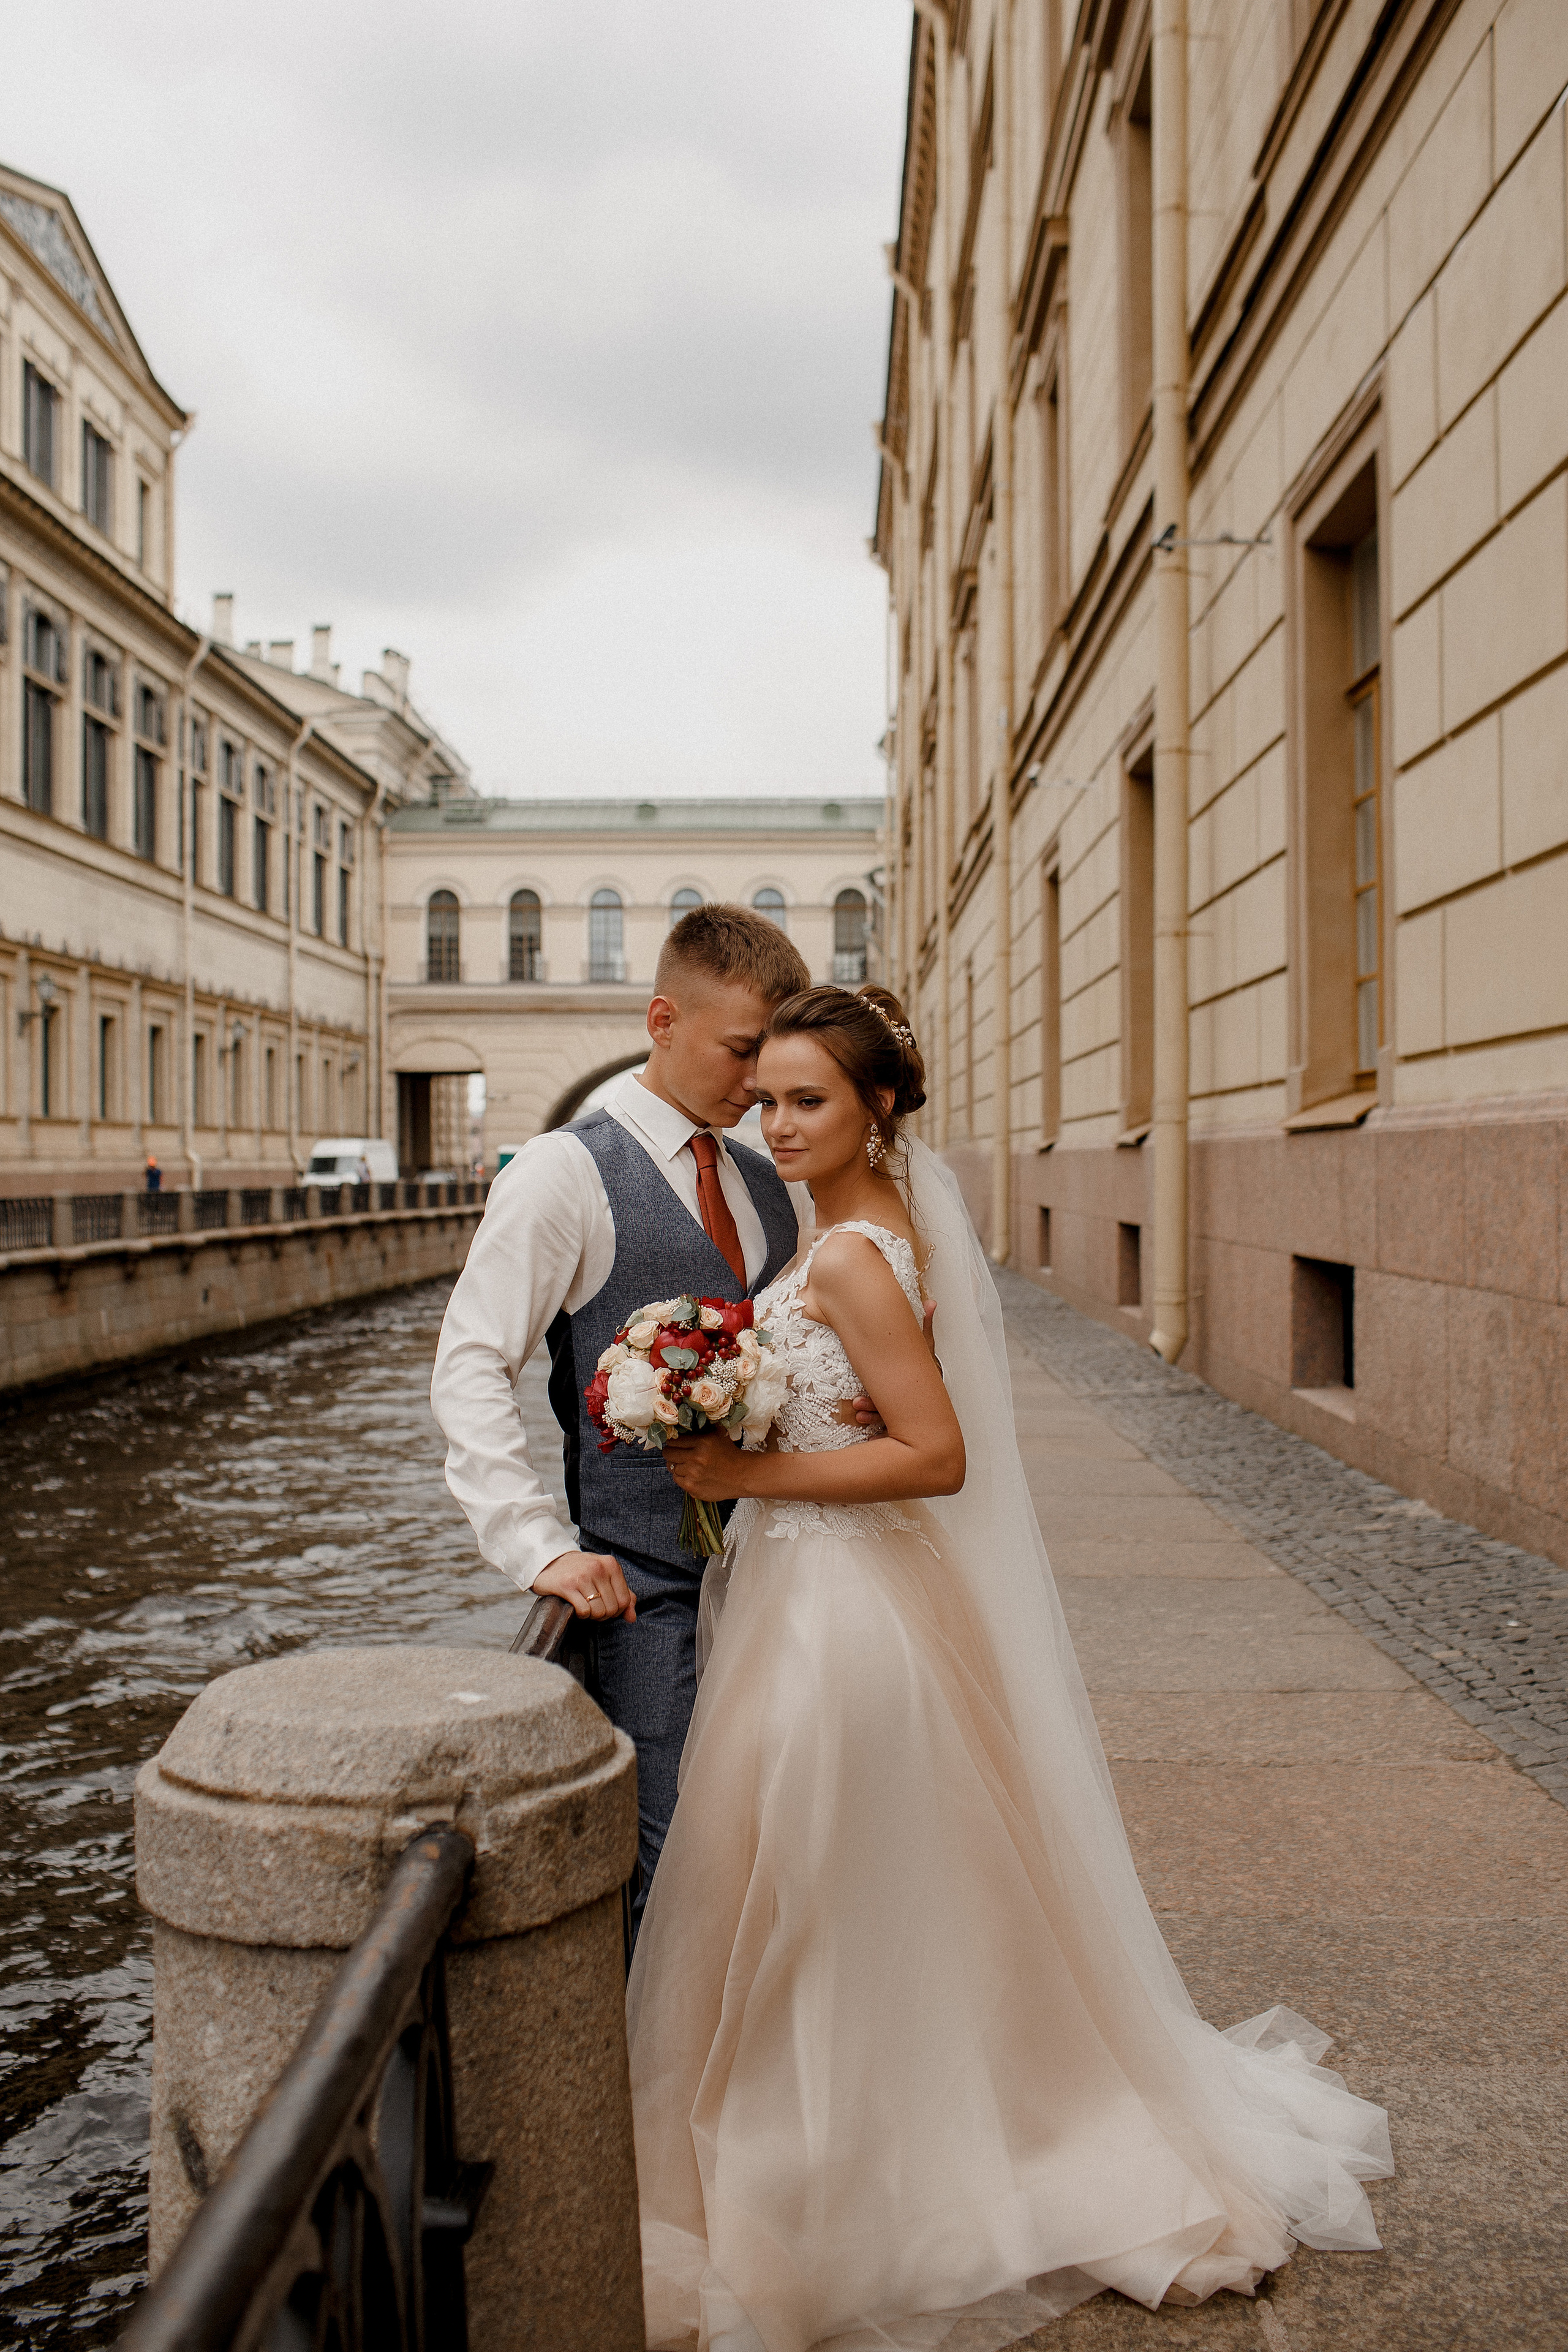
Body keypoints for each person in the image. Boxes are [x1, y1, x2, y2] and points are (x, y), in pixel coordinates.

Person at [630, 982, 1393, 2352]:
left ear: (877, 1108)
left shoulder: (856, 1256)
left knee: (810, 1881)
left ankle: (841, 2168)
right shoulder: (859, 1232)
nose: (779, 1122)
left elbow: (935, 1454)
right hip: (825, 1591)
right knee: (838, 1882)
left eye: (810, 1100)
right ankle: (852, 2129)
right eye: (768, 1098)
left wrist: (741, 1463)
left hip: (837, 1612)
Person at [431, 903, 814, 1931]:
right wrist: (533, 1544)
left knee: (782, 1843)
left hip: (788, 1577)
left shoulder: (770, 1188)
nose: (755, 1085)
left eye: (770, 1058)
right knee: (674, 1859)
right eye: (741, 1051)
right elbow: (470, 1362)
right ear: (662, 1018)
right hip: (646, 1594)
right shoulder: (565, 1171)